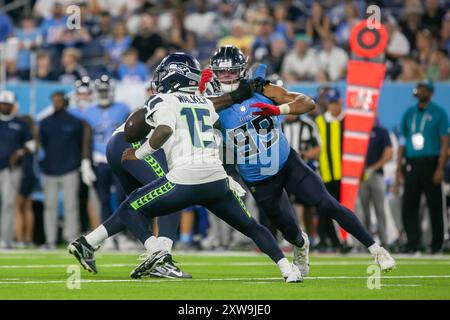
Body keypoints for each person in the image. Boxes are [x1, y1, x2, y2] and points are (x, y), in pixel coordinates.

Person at [68, 52, 303, 283]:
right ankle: (287, 268)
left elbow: (167, 128)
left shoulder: (167, 99)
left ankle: (110, 246)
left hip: (150, 150)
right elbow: (219, 134)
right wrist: (227, 173)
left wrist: (139, 154)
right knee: (247, 224)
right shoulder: (205, 101)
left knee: (144, 203)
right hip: (186, 162)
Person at [211, 45, 395, 271]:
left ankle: (376, 249)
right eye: (222, 71)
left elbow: (308, 102)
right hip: (258, 179)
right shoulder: (213, 105)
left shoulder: (263, 89)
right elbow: (205, 109)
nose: (227, 75)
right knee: (288, 229)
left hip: (286, 162)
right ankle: (301, 243)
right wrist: (237, 95)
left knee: (327, 203)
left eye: (231, 70)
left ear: (242, 69)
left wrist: (279, 110)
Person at [396, 80, 450, 253]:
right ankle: (413, 243)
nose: (419, 91)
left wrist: (441, 168)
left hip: (431, 162)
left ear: (431, 92)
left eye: (423, 89)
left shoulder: (439, 113)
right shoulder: (409, 113)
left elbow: (445, 142)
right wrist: (399, 168)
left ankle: (436, 244)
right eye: (419, 88)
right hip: (412, 163)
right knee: (409, 205)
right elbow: (402, 142)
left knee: (435, 205)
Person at [83, 75, 130, 250]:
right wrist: (85, 162)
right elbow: (87, 138)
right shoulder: (89, 111)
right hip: (99, 160)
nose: (103, 94)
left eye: (105, 90)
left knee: (121, 198)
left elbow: (129, 135)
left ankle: (123, 235)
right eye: (100, 90)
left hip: (117, 159)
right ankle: (109, 237)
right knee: (103, 199)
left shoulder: (123, 108)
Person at [39, 92, 86, 249]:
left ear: (65, 102)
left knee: (71, 205)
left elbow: (81, 144)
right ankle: (50, 240)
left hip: (70, 169)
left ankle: (71, 237)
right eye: (54, 101)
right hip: (50, 170)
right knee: (49, 207)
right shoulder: (45, 122)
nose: (56, 103)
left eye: (59, 100)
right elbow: (42, 144)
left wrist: (79, 164)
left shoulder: (75, 122)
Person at [0, 91, 36, 249]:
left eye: (7, 104)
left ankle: (5, 239)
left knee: (8, 205)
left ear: (13, 105)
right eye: (2, 103)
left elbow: (32, 145)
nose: (5, 106)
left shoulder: (20, 123)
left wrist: (20, 152)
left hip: (11, 170)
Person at [358, 119, 393, 246]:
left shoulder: (381, 131)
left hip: (376, 175)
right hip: (361, 177)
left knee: (380, 209)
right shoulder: (359, 131)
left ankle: (385, 241)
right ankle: (366, 242)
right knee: (363, 211)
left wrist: (373, 168)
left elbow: (389, 154)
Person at [15, 115, 38, 248]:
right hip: (31, 175)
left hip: (24, 173)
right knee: (27, 207)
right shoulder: (34, 140)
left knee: (17, 207)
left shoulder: (26, 142)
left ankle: (20, 238)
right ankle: (27, 238)